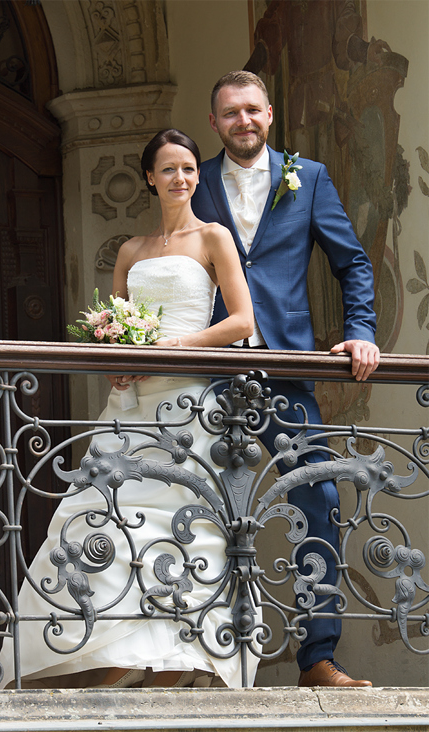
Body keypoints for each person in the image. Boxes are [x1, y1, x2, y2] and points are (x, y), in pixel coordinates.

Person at [0, 128, 256, 690]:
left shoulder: (214, 238)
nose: (181, 178)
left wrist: (175, 347)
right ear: (149, 177)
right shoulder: (130, 251)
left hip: (188, 409)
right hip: (130, 409)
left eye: (189, 168)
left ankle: (175, 661)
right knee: (107, 524)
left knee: (183, 533)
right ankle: (106, 652)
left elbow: (243, 322)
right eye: (168, 169)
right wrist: (117, 359)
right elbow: (114, 330)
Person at [192, 70, 380, 688]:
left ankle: (318, 659)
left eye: (252, 111)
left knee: (318, 499)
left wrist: (362, 330)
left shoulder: (311, 177)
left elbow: (351, 260)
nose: (242, 121)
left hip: (286, 367)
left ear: (269, 115)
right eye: (229, 113)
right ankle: (192, 659)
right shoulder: (193, 185)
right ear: (214, 122)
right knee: (189, 500)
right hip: (210, 372)